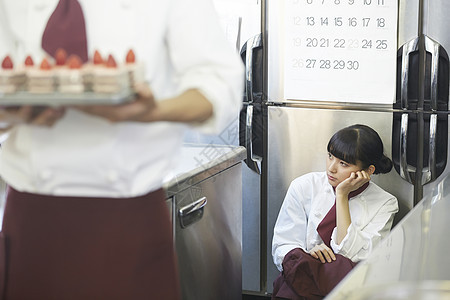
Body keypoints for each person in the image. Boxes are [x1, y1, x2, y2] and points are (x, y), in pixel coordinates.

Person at [0, 0, 243, 299]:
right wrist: (11, 113)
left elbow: (221, 85)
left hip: (128, 222)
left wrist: (151, 111)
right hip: (31, 222)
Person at [271, 124, 399, 300]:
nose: (331, 168)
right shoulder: (303, 186)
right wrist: (308, 255)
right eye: (330, 156)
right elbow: (282, 246)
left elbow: (356, 259)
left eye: (343, 163)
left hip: (350, 292)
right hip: (301, 282)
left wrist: (342, 195)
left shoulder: (385, 203)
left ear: (368, 171)